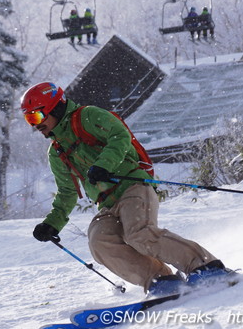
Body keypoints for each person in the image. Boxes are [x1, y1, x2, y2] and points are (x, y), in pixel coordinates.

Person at [21, 82, 227, 295]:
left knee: (139, 233)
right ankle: (161, 280)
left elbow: (120, 135)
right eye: (29, 120)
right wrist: (52, 225)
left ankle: (205, 266)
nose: (34, 125)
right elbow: (67, 192)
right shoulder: (56, 152)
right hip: (108, 203)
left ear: (53, 108)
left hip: (133, 187)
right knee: (99, 241)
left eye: (35, 117)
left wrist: (104, 164)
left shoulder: (87, 117)